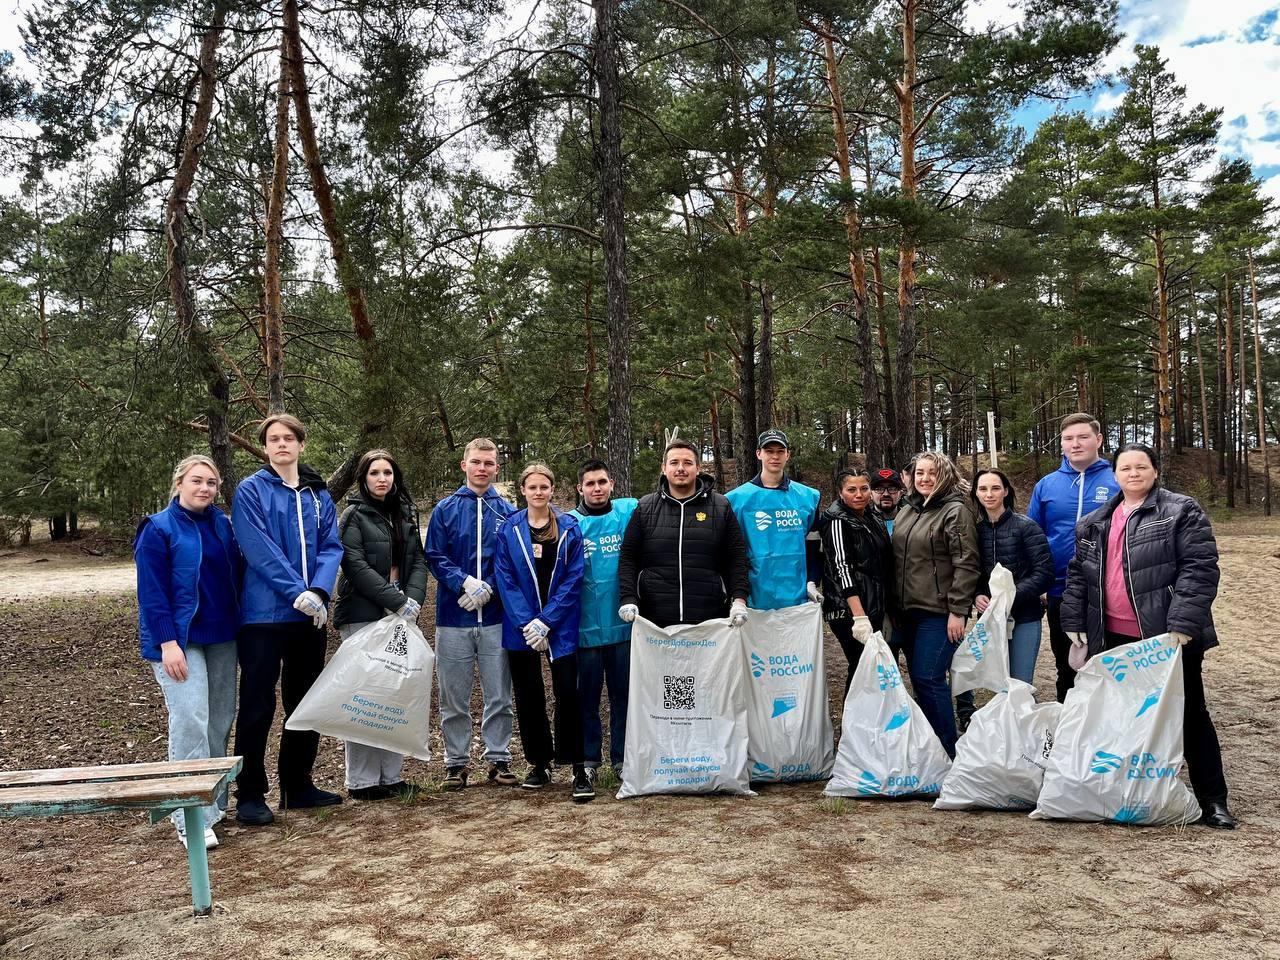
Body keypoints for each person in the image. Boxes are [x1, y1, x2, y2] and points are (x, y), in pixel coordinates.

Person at [1060, 443, 1235, 829]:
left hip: (1167, 639)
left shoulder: (1180, 511)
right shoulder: (1094, 521)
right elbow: (1078, 574)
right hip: (1114, 638)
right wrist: (1073, 618)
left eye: (1141, 467)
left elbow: (1200, 568)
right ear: (1115, 474)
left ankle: (1213, 799)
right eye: (1125, 467)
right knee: (1123, 717)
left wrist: (1183, 624)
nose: (1133, 473)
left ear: (1155, 471)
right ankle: (1127, 792)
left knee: (1189, 714)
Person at [232, 414, 345, 825]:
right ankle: (249, 794)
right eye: (273, 439)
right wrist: (295, 591)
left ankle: (297, 785)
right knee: (258, 705)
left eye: (288, 438)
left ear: (301, 444)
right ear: (265, 447)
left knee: (304, 702)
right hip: (264, 617)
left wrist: (318, 591)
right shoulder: (251, 490)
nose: (281, 445)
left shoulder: (318, 494)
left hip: (308, 619)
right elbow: (257, 548)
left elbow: (331, 546)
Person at [135, 455, 244, 849]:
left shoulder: (223, 526)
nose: (205, 488)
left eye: (212, 483)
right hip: (178, 642)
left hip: (222, 637)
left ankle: (212, 808)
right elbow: (151, 594)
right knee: (191, 721)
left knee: (219, 722)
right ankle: (188, 817)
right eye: (197, 481)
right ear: (178, 483)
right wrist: (168, 643)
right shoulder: (157, 528)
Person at [332, 449, 428, 800]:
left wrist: (413, 601)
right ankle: (361, 781)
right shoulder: (354, 515)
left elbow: (418, 559)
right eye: (375, 473)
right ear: (364, 477)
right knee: (362, 696)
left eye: (388, 472)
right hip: (362, 614)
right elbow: (354, 565)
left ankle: (391, 775)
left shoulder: (404, 513)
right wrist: (397, 600)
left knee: (392, 694)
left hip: (400, 616)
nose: (382, 478)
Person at [494, 463, 593, 801]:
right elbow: (505, 579)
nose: (538, 492)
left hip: (560, 624)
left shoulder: (569, 527)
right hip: (520, 628)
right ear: (523, 490)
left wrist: (547, 620)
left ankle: (578, 766)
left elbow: (573, 577)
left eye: (544, 487)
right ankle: (540, 763)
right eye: (532, 487)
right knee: (529, 695)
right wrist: (528, 623)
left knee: (569, 692)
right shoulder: (509, 529)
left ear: (553, 490)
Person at [424, 437, 518, 790]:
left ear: (496, 467)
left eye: (489, 463)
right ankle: (456, 763)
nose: (482, 468)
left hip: (495, 618)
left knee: (498, 694)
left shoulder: (507, 511)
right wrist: (462, 583)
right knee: (453, 696)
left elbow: (511, 560)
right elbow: (434, 555)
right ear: (464, 465)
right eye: (476, 462)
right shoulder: (445, 509)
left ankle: (498, 757)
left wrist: (489, 587)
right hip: (453, 617)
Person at [891, 451, 980, 758]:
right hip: (907, 610)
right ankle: (930, 749)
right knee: (919, 680)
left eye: (932, 473)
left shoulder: (955, 511)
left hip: (939, 612)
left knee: (929, 677)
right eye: (919, 473)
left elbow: (966, 563)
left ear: (945, 475)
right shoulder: (909, 508)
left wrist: (958, 610)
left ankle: (948, 750)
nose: (925, 478)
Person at [1027, 413, 1120, 703]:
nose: (1075, 444)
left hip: (1107, 590)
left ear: (1098, 440)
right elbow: (1034, 538)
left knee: (1107, 665)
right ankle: (1068, 727)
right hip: (1059, 590)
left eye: (1083, 437)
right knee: (1067, 663)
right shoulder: (1047, 485)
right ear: (1062, 444)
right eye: (1068, 439)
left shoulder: (1118, 479)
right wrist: (1040, 583)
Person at [617, 438, 750, 629]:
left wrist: (739, 600)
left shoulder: (721, 506)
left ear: (698, 468)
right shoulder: (645, 507)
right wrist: (628, 597)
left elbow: (736, 557)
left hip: (710, 619)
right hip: (655, 620)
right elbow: (628, 557)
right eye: (674, 463)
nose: (681, 468)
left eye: (687, 463)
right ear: (664, 468)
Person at [570, 459, 638, 782]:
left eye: (602, 482)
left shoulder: (627, 512)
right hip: (584, 630)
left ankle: (622, 758)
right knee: (587, 699)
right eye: (590, 483)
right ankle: (589, 761)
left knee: (623, 696)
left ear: (612, 484)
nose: (596, 488)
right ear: (580, 488)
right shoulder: (569, 524)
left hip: (623, 626)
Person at [970, 468, 1054, 685]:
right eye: (983, 489)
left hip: (1024, 617)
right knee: (999, 683)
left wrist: (1010, 596)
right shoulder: (976, 531)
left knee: (1020, 684)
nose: (989, 494)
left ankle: (1023, 719)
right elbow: (974, 572)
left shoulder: (1026, 527)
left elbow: (1044, 573)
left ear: (1005, 491)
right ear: (976, 494)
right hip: (991, 620)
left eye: (995, 488)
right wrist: (977, 595)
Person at [725, 429, 822, 612]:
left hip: (798, 597)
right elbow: (731, 552)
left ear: (788, 455)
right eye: (769, 451)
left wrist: (812, 581)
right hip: (754, 598)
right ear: (759, 454)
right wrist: (737, 595)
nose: (775, 456)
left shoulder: (808, 497)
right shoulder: (735, 500)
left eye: (780, 451)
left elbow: (813, 547)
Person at [817, 467, 893, 695]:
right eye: (851, 490)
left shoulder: (872, 516)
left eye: (864, 488)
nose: (858, 494)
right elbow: (842, 568)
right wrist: (859, 616)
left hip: (874, 604)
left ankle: (872, 722)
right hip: (848, 609)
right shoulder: (837, 521)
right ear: (840, 492)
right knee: (860, 665)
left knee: (871, 667)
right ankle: (852, 725)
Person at [870, 468, 906, 534]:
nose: (886, 494)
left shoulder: (910, 521)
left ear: (900, 494)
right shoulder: (864, 524)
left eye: (892, 489)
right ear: (871, 494)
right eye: (879, 489)